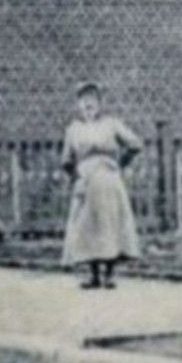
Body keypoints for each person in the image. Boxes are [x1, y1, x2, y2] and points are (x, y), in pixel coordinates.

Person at [60, 82, 143, 289]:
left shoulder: (111, 124)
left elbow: (135, 144)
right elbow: (66, 160)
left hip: (107, 179)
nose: (88, 107)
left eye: (92, 102)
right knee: (87, 227)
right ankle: (93, 275)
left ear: (100, 104)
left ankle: (109, 274)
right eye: (83, 102)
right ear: (78, 105)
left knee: (109, 225)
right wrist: (76, 176)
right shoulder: (73, 130)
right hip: (86, 182)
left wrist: (118, 164)